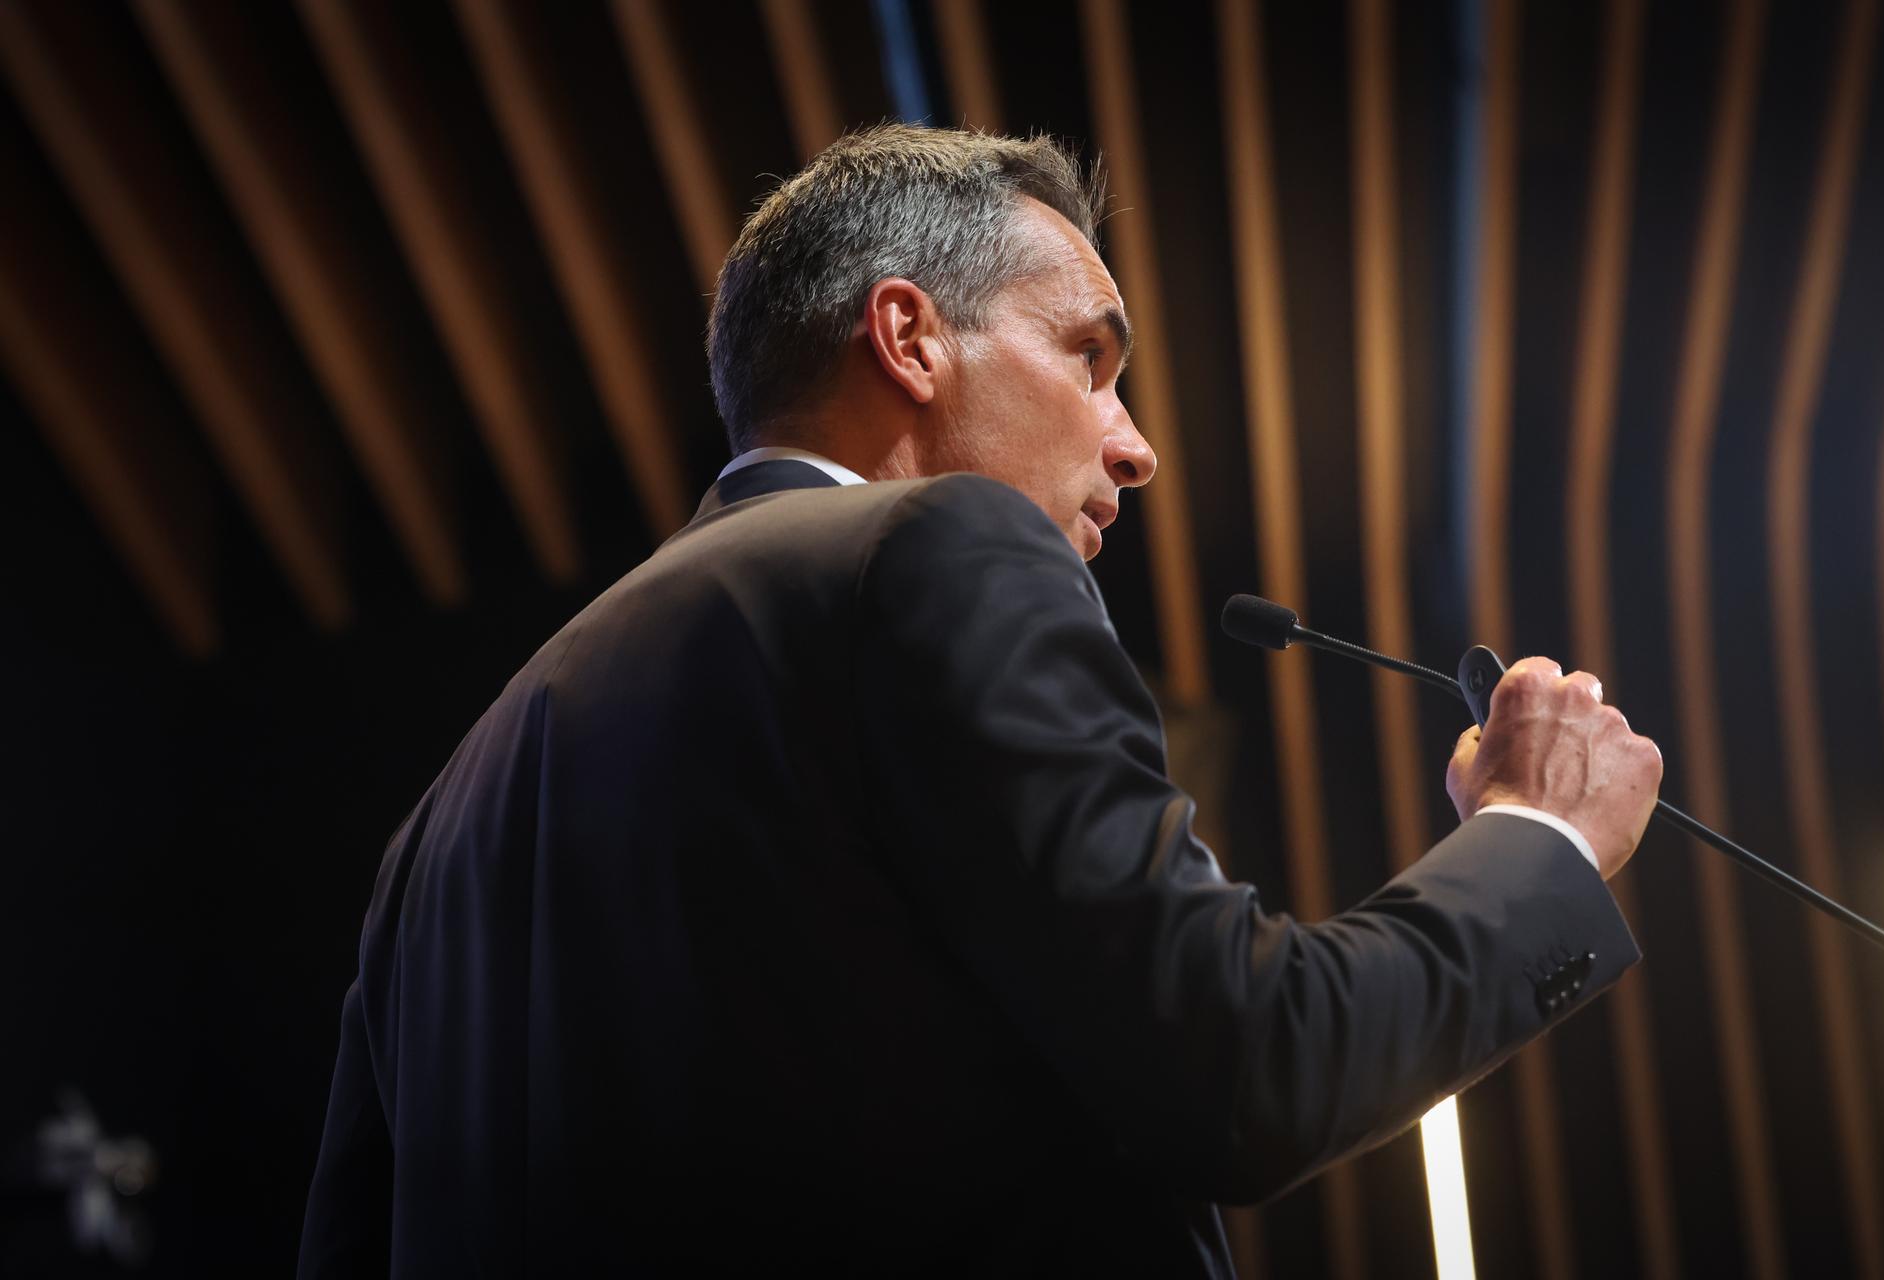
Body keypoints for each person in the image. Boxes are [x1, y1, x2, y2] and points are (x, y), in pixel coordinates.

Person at [296, 125, 1662, 1278]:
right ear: (910, 337)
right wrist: (1535, 838)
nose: (1136, 449)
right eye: (1090, 357)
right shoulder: (934, 549)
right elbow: (1245, 1071)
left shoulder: (435, 833)